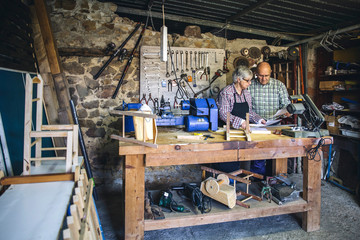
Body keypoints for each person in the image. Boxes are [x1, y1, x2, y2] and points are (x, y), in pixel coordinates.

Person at [214, 65, 266, 173]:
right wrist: (241, 122)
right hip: (228, 132)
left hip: (242, 132)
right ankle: (227, 185)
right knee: (228, 162)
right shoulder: (226, 92)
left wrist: (259, 120)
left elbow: (249, 112)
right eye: (247, 81)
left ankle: (246, 181)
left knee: (248, 156)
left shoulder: (246, 93)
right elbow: (223, 114)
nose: (250, 83)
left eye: (250, 80)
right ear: (238, 79)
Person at [248, 62, 291, 175]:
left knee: (276, 152)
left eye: (266, 76)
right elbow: (245, 107)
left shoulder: (279, 85)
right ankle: (258, 177)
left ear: (271, 73)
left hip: (274, 125)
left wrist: (287, 111)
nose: (263, 79)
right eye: (261, 75)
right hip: (256, 125)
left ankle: (274, 176)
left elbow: (286, 104)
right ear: (256, 74)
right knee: (258, 153)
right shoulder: (249, 85)